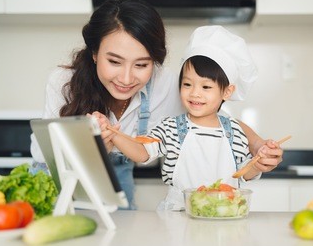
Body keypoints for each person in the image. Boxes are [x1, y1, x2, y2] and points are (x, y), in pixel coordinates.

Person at [30, 0, 282, 210]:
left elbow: (219, 119)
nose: (126, 78)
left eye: (141, 65)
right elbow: (49, 155)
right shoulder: (63, 82)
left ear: (155, 62)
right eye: (115, 62)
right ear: (94, 53)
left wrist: (258, 144)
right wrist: (88, 148)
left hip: (116, 181)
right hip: (55, 178)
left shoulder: (166, 85)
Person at [97, 25, 284, 210]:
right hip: (178, 215)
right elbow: (142, 152)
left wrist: (257, 165)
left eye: (206, 87)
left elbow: (243, 173)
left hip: (225, 213)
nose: (194, 93)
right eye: (187, 84)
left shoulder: (235, 131)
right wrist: (113, 134)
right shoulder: (170, 128)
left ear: (227, 91)